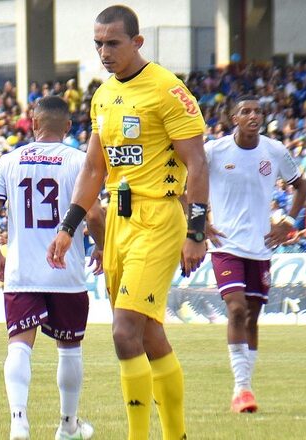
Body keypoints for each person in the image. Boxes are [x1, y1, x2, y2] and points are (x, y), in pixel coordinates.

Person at [47, 6, 208, 440]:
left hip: (158, 216)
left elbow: (197, 163)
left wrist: (195, 231)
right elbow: (94, 170)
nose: (104, 51)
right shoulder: (102, 96)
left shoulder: (168, 91)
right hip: (118, 221)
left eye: (112, 43)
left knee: (123, 332)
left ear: (137, 43)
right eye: (98, 43)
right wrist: (68, 226)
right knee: (149, 334)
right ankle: (176, 435)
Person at [0, 97, 104, 440]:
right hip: (66, 271)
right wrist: (102, 248)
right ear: (67, 127)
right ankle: (67, 426)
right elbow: (93, 215)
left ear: (34, 124)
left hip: (22, 272)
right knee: (70, 348)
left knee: (19, 345)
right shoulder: (80, 161)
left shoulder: (8, 161)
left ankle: (18, 422)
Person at [204, 96, 306, 413]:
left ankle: (246, 388)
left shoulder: (274, 150)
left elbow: (301, 186)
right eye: (245, 111)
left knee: (252, 317)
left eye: (258, 111)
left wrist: (288, 223)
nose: (254, 116)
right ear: (233, 118)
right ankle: (241, 390)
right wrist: (199, 224)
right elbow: (184, 185)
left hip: (261, 245)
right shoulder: (215, 151)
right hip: (226, 246)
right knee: (236, 310)